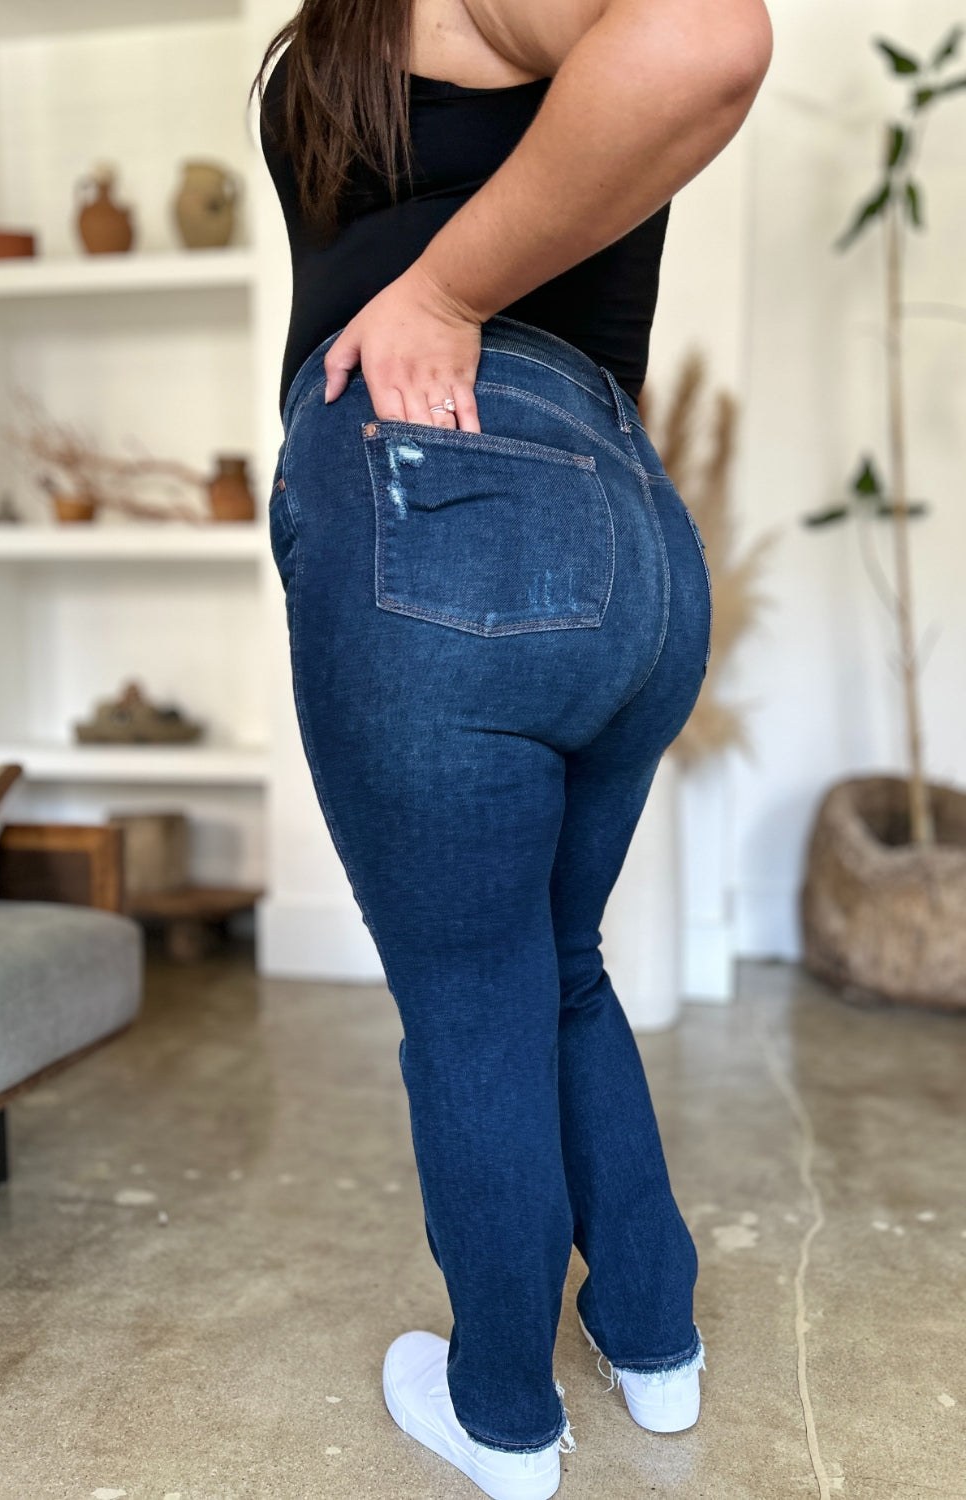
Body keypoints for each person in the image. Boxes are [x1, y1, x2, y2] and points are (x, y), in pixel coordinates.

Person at [253, 2, 771, 1496]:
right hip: (628, 535)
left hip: (439, 511)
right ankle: (653, 1343)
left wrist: (440, 289)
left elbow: (709, 35)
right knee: (556, 962)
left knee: (473, 995)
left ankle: (500, 1414)